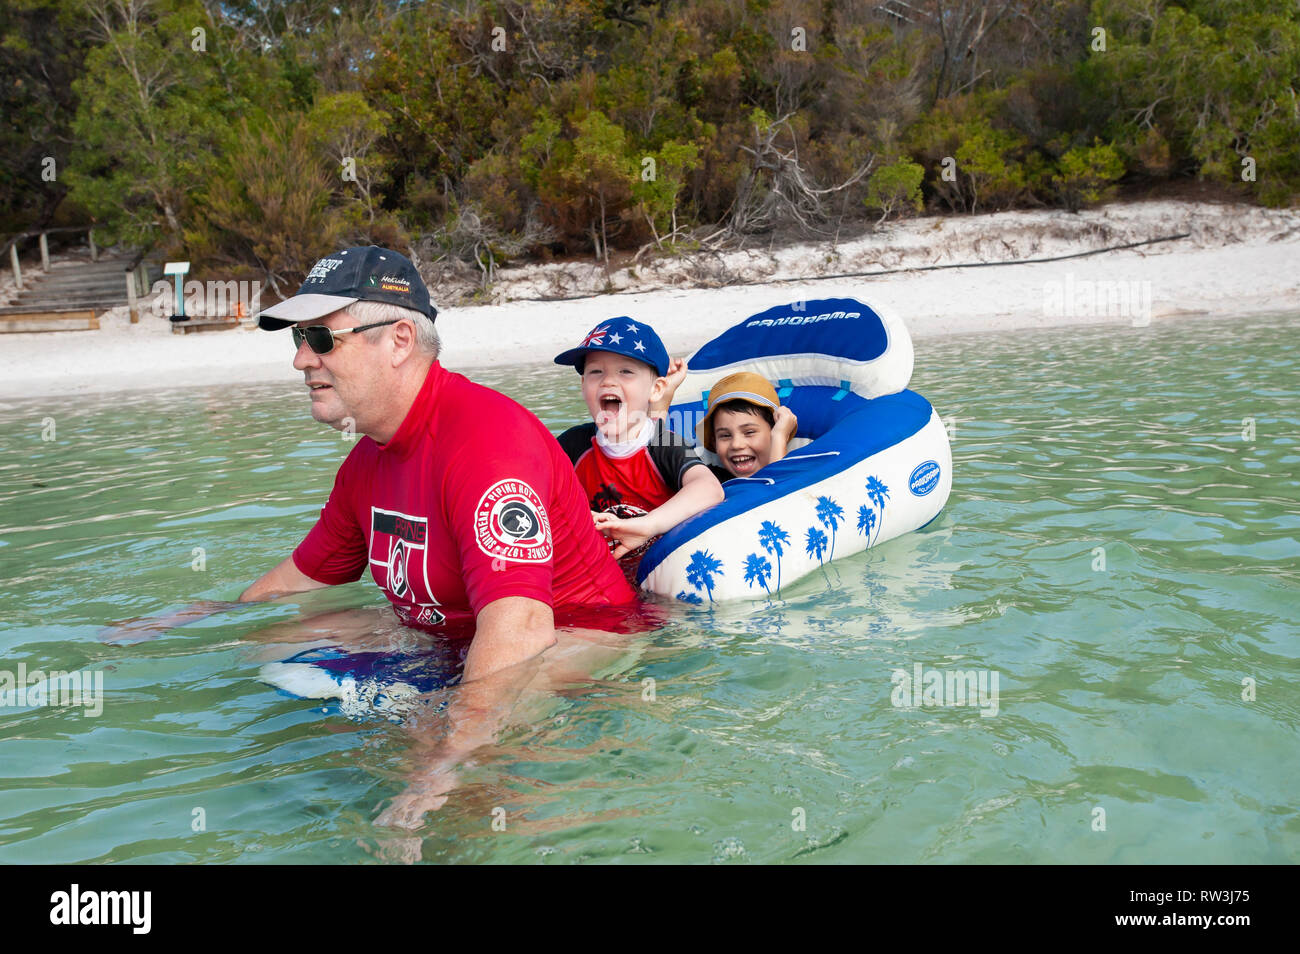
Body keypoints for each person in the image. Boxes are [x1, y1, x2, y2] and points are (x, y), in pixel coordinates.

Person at [105, 245, 638, 827]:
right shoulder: (367, 461)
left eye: (322, 338)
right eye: (298, 339)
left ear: (399, 341)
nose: (302, 360)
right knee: (274, 638)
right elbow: (293, 583)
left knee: (440, 764)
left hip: (578, 631)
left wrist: (442, 765)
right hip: (451, 640)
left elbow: (521, 628)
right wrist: (190, 619)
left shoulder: (486, 441)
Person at [553, 318, 725, 563]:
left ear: (656, 390)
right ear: (583, 385)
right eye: (595, 372)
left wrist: (647, 525)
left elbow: (710, 489)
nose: (608, 381)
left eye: (625, 371)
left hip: (655, 571)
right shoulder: (573, 445)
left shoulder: (664, 443)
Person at [695, 371, 799, 481]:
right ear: (714, 442)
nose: (736, 445)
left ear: (773, 430)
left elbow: (781, 492)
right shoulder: (708, 480)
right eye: (725, 435)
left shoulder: (804, 475)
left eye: (749, 432)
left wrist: (779, 436)